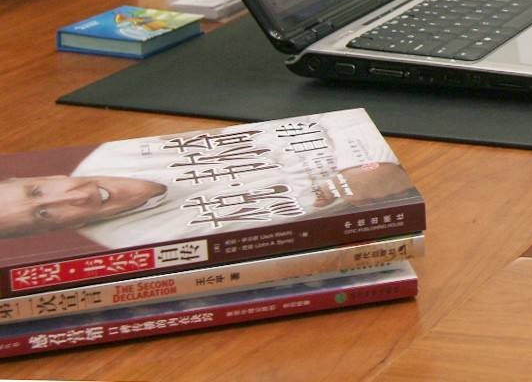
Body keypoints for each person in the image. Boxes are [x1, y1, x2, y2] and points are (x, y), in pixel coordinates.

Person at [0, 114, 416, 248]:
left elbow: (333, 121)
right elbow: (369, 189)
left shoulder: (123, 146)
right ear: (52, 230)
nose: (72, 198)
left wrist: (361, 168)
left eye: (39, 191)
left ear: (40, 175)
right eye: (43, 214)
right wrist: (364, 172)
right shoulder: (143, 245)